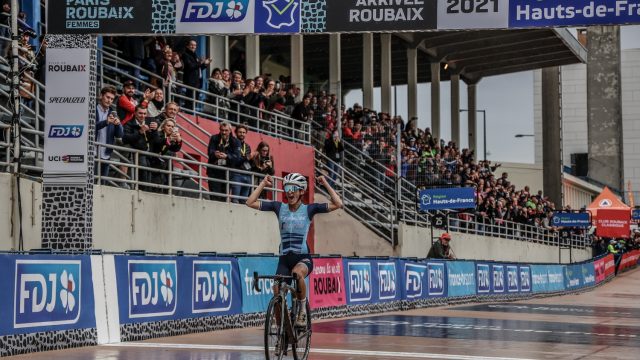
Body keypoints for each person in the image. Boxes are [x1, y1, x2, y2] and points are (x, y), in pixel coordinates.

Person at [246, 173, 342, 327]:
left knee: (297, 274)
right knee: (276, 289)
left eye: (293, 188)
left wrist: (324, 183)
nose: (289, 192)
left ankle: (302, 310)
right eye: (287, 188)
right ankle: (280, 330)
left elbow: (338, 203)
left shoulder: (309, 209)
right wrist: (263, 183)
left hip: (302, 258)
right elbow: (250, 202)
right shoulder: (279, 207)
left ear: (301, 191)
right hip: (284, 259)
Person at [95, 86, 123, 180]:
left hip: (106, 155)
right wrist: (106, 122)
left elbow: (119, 135)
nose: (109, 100)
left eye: (112, 99)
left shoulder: (113, 113)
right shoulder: (92, 109)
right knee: (92, 183)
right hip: (92, 153)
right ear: (101, 96)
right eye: (107, 97)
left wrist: (118, 124)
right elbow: (90, 128)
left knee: (103, 185)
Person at [149, 118, 182, 190]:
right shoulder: (158, 134)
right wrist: (169, 139)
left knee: (167, 185)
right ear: (163, 126)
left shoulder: (171, 137)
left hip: (166, 165)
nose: (171, 128)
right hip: (155, 163)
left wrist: (179, 141)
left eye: (172, 127)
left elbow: (175, 149)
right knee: (155, 186)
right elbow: (158, 144)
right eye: (168, 126)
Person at [207, 121, 236, 201]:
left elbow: (236, 158)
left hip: (227, 174)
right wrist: (215, 154)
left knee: (224, 199)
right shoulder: (214, 138)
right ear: (219, 129)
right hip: (214, 172)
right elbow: (210, 152)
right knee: (214, 197)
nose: (223, 132)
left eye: (226, 130)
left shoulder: (235, 141)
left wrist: (227, 156)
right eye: (222, 130)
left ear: (230, 130)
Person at [230, 124, 252, 203]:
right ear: (236, 133)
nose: (242, 134)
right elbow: (235, 160)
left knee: (244, 202)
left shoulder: (247, 146)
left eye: (244, 132)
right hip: (236, 174)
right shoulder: (232, 143)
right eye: (240, 132)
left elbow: (248, 161)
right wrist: (246, 158)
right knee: (235, 200)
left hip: (247, 174)